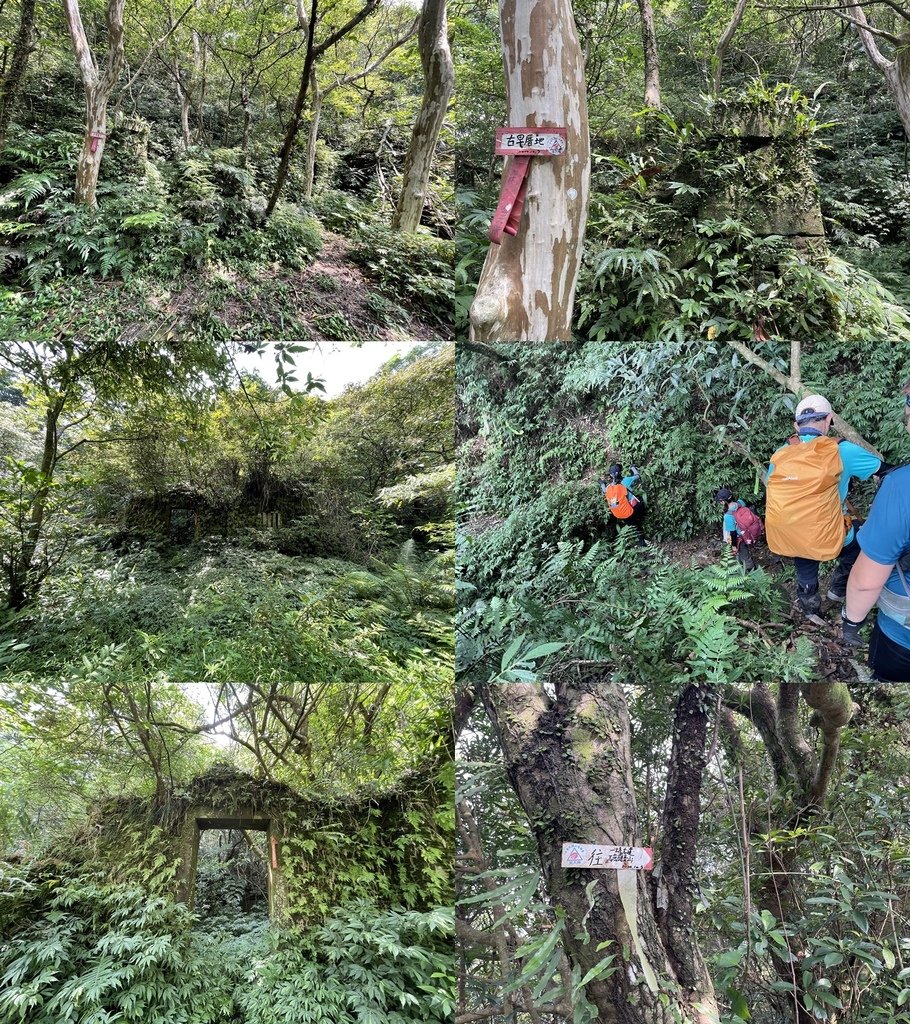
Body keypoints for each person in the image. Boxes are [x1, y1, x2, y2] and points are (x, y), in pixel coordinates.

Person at [765, 395, 883, 617]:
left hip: (789, 533)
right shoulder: (841, 450)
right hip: (827, 535)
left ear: (796, 426)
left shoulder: (781, 454)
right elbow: (885, 471)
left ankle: (811, 612)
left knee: (805, 565)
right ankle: (838, 591)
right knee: (860, 541)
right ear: (829, 419)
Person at [841, 390, 910, 681]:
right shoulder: (843, 449)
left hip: (902, 640)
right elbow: (877, 469)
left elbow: (865, 584)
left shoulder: (901, 488)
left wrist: (851, 622)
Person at [713, 487, 762, 570]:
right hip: (748, 533)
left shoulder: (728, 516)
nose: (720, 503)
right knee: (745, 552)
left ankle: (752, 573)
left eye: (720, 501)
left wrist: (734, 546)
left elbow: (733, 533)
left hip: (740, 538)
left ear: (723, 501)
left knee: (744, 557)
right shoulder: (740, 503)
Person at [600, 463, 646, 544]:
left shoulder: (609, 488)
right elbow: (637, 475)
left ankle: (638, 536)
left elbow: (604, 490)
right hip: (632, 510)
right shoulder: (626, 481)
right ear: (620, 472)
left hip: (621, 514)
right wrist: (633, 468)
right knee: (640, 501)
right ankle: (642, 540)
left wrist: (602, 483)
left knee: (633, 525)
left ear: (610, 475)